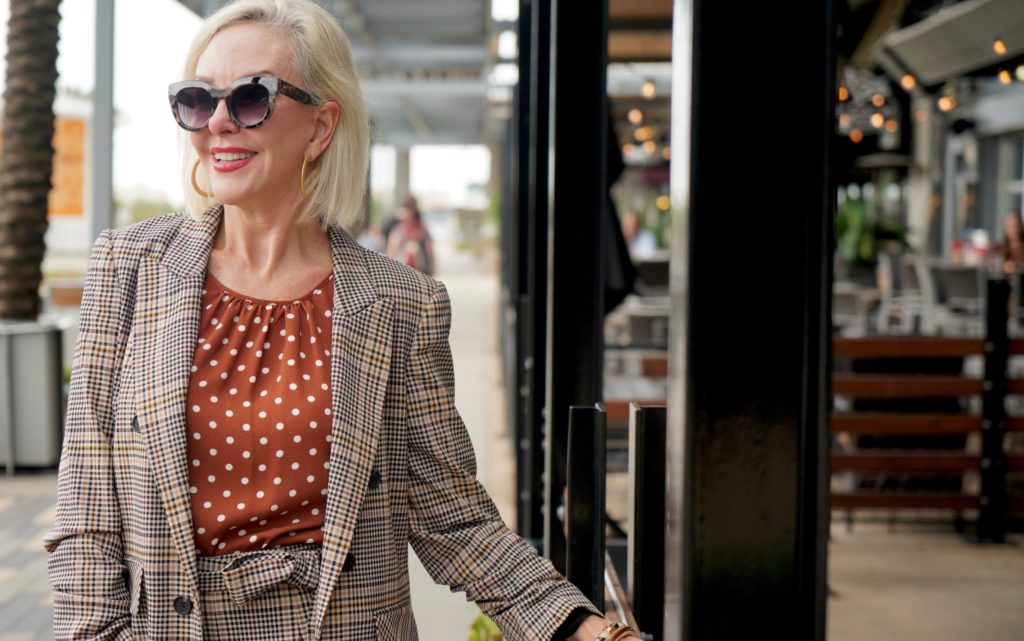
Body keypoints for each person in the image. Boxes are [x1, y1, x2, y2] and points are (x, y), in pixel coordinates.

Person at [43, 2, 638, 641]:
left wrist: (583, 627)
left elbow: (452, 518)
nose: (216, 122)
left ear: (321, 126)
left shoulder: (401, 302)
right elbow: (86, 510)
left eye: (249, 99)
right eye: (196, 99)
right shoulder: (130, 268)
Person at [386, 202, 434, 276]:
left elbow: (430, 253)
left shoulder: (423, 231)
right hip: (402, 272)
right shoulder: (398, 231)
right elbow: (391, 253)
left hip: (421, 272)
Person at [1000, 209, 1024, 274]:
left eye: (1017, 226)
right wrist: (1003, 266)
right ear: (1006, 228)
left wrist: (1017, 266)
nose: (1014, 230)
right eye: (1011, 226)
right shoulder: (1000, 249)